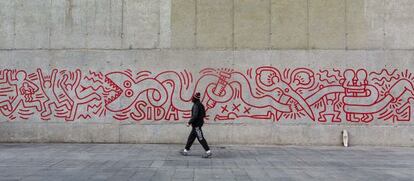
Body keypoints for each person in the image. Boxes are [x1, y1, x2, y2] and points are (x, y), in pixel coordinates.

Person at [180, 92, 212, 158]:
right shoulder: (201, 105)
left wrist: (189, 122)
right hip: (197, 125)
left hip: (196, 125)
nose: (192, 99)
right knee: (191, 138)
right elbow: (204, 115)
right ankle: (185, 150)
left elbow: (194, 116)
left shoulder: (196, 106)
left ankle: (208, 152)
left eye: (193, 98)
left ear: (195, 99)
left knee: (200, 138)